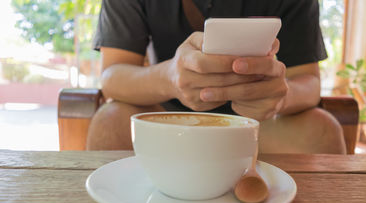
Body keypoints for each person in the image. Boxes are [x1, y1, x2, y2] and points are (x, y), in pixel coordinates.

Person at [87, 0, 346, 154]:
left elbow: (308, 81)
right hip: (164, 115)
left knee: (322, 131)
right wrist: (169, 77)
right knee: (109, 122)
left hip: (259, 123)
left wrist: (278, 98)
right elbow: (112, 76)